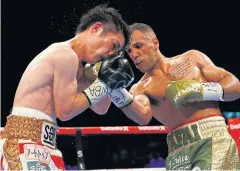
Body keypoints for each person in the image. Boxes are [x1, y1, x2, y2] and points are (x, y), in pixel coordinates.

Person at [84, 23, 240, 170]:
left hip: (212, 139)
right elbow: (142, 117)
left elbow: (235, 86)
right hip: (178, 152)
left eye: (138, 46)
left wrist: (202, 90)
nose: (134, 55)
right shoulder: (139, 88)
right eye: (129, 51)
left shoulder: (192, 59)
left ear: (155, 43)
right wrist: (113, 88)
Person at [0, 4, 134, 171]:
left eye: (116, 54)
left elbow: (101, 108)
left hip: (45, 144)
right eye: (113, 46)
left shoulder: (79, 67)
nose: (111, 54)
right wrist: (103, 84)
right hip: (23, 139)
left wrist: (107, 83)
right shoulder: (65, 55)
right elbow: (65, 111)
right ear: (96, 29)